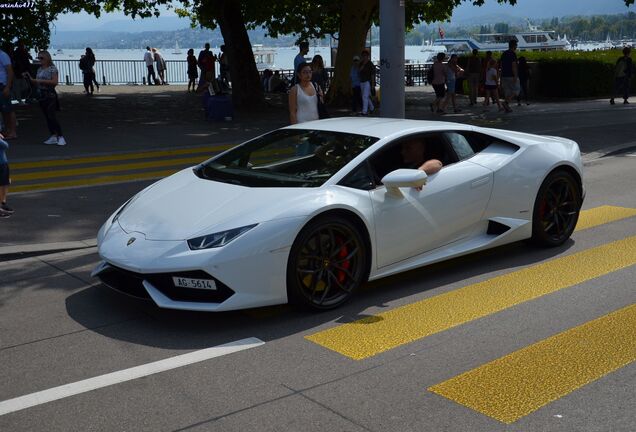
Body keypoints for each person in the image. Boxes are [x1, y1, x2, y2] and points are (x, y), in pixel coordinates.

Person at [24, 50, 66, 146]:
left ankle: (60, 136)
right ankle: (53, 135)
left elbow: (55, 82)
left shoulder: (52, 69)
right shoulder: (39, 69)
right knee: (47, 117)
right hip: (41, 94)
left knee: (52, 116)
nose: (40, 60)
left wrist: (40, 80)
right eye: (38, 58)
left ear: (47, 58)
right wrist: (29, 78)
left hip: (50, 94)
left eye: (42, 58)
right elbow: (36, 82)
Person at [0, 46, 17, 140]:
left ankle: (13, 131)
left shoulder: (3, 55)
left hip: (2, 85)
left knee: (8, 109)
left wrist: (7, 86)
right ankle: (7, 130)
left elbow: (10, 71)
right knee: (3, 111)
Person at [499, 39, 518, 113]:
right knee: (516, 90)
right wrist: (515, 75)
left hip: (504, 75)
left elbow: (501, 66)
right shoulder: (513, 54)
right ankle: (506, 103)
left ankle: (507, 107)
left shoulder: (504, 53)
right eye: (516, 45)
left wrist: (500, 76)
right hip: (511, 75)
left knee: (507, 92)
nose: (516, 47)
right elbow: (514, 65)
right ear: (514, 46)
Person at [359, 50, 375, 115]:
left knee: (364, 96)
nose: (364, 57)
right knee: (366, 96)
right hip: (361, 81)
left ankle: (364, 111)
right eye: (363, 56)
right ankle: (372, 108)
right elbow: (359, 71)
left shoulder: (370, 64)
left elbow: (372, 75)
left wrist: (373, 84)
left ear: (368, 56)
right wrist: (363, 64)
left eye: (366, 56)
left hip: (367, 82)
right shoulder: (361, 63)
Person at [0, 133, 12, 217]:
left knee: (5, 183)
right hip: (1, 163)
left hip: (3, 163)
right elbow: (5, 146)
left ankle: (2, 203)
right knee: (2, 184)